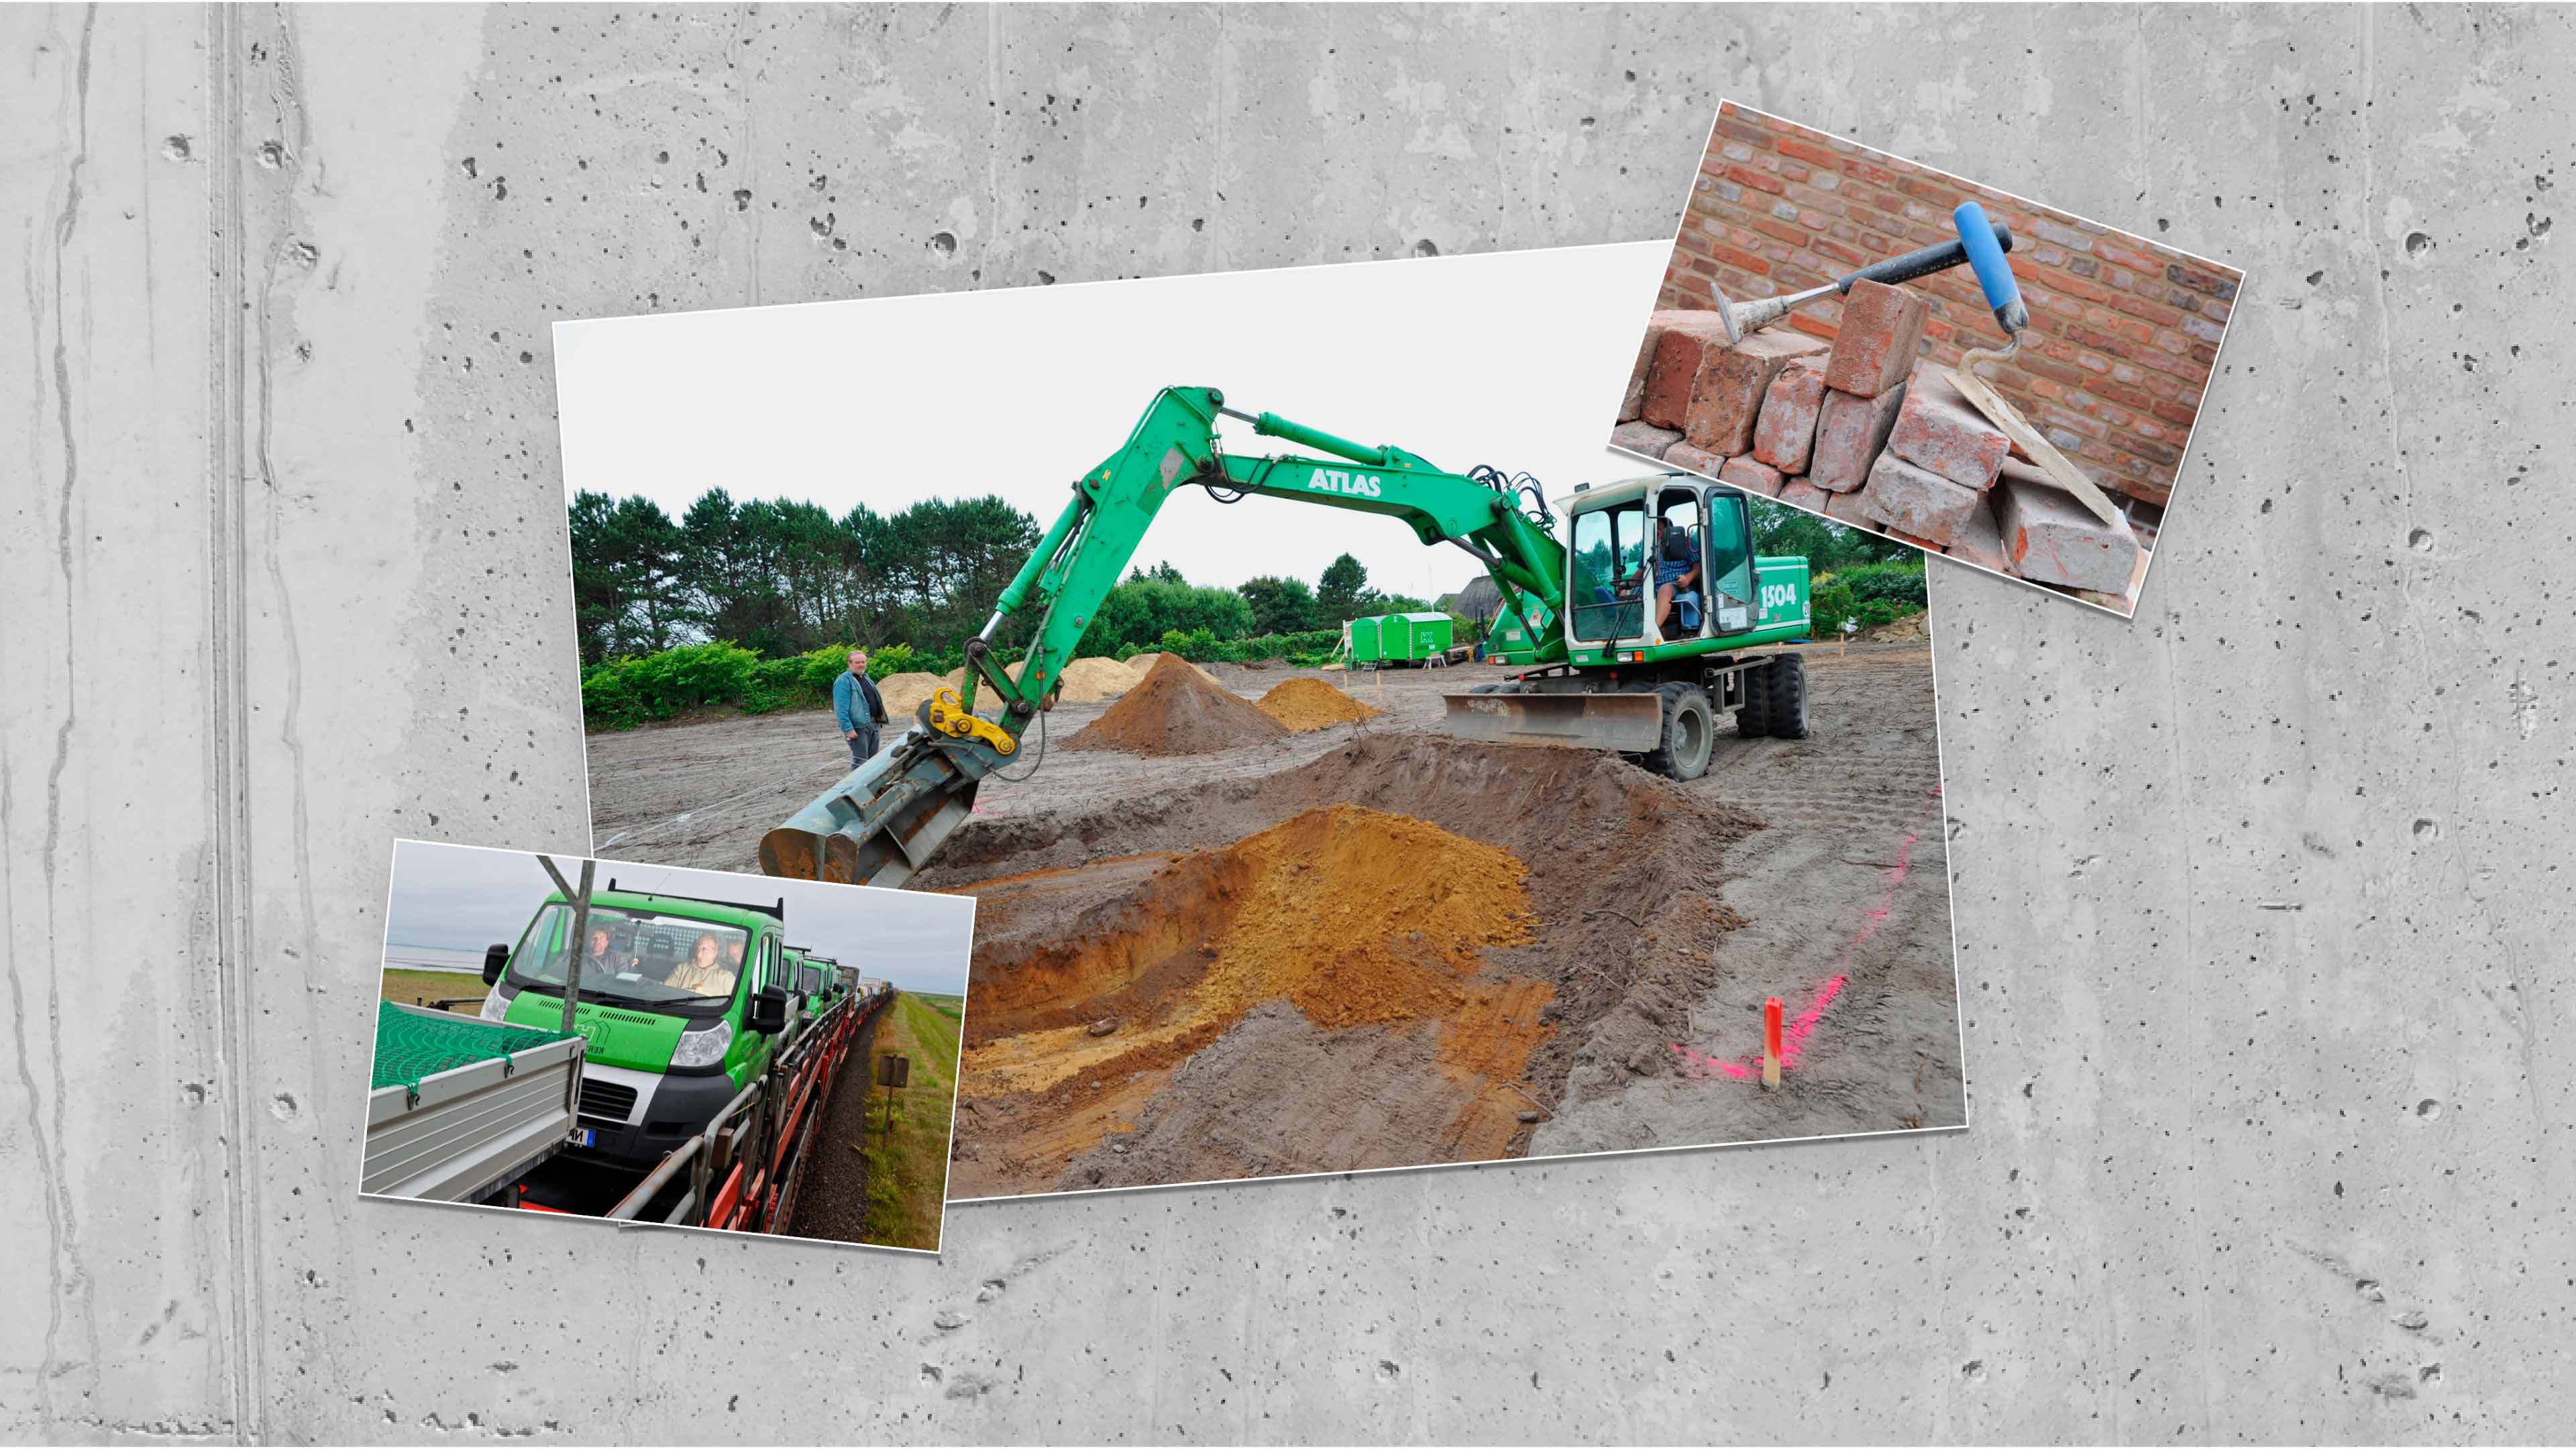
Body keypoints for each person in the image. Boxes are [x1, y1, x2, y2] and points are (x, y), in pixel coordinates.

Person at [833, 649, 886, 769]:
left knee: (873, 762)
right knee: (860, 762)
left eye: (863, 662)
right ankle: (857, 782)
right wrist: (848, 729)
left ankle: (872, 782)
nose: (861, 665)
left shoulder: (866, 678)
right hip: (858, 727)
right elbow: (841, 709)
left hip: (873, 724)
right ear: (849, 663)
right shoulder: (843, 681)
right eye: (857, 662)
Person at [664, 932, 737, 998]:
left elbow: (737, 999)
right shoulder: (681, 969)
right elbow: (665, 992)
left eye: (709, 948)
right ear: (696, 950)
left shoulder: (726, 977)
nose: (704, 950)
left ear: (716, 952)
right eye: (701, 946)